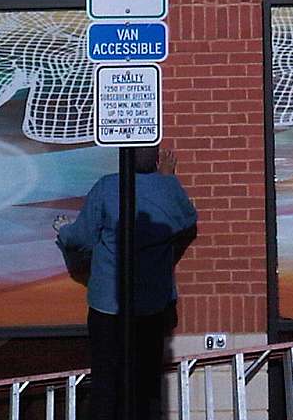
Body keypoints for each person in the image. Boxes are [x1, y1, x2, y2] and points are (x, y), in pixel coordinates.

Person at [54, 146, 197, 420]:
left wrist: (63, 230)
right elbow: (188, 219)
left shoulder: (107, 187)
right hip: (152, 306)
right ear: (156, 158)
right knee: (146, 385)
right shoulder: (166, 189)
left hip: (108, 306)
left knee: (106, 383)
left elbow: (81, 238)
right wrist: (168, 178)